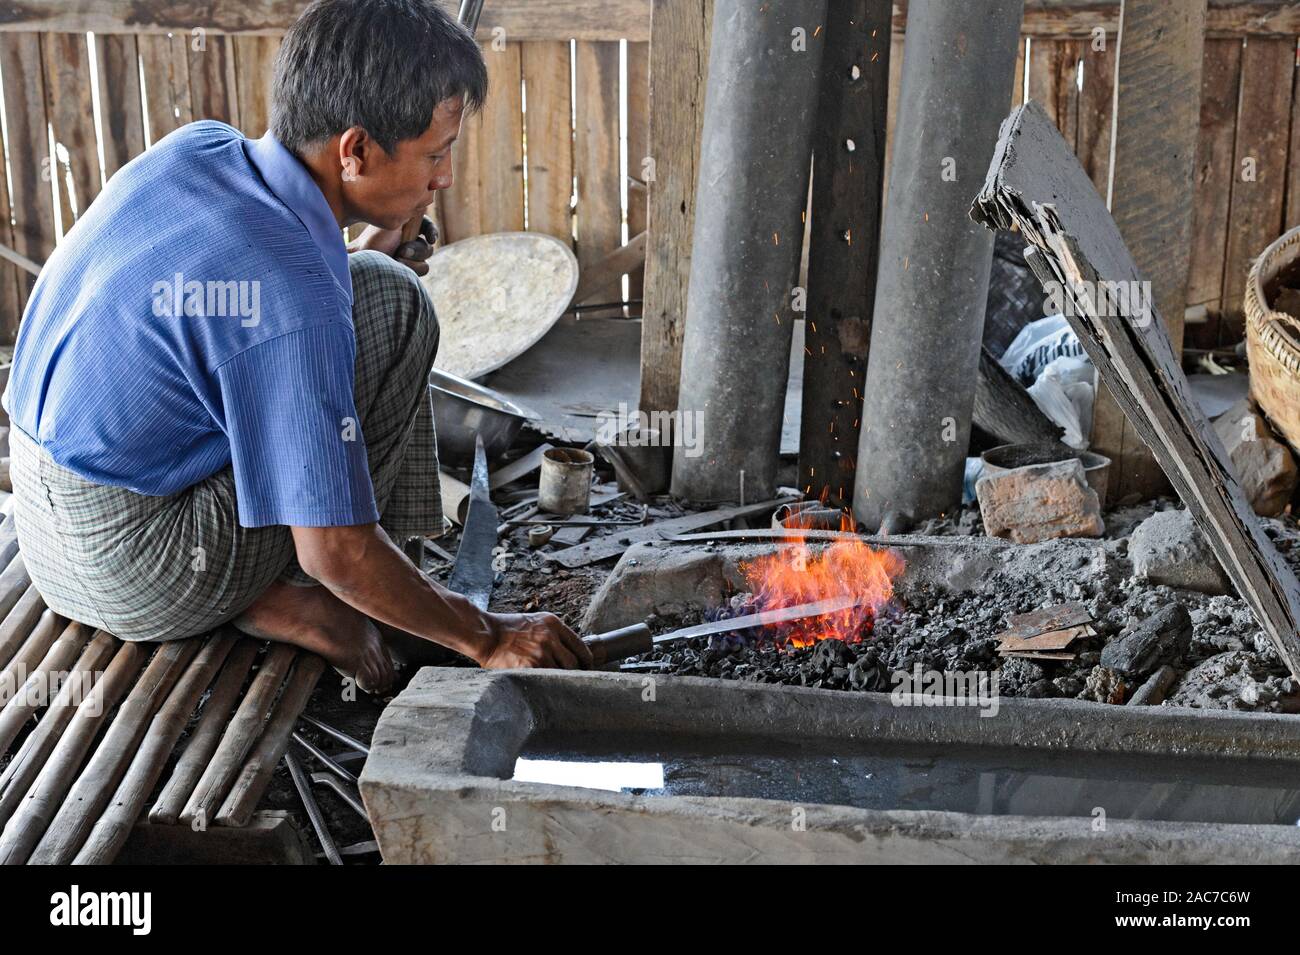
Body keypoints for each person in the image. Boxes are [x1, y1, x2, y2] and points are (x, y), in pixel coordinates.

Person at [4, 0, 591, 694]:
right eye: (436, 154)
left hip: (41, 508)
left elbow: (254, 287)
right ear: (356, 150)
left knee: (386, 291)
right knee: (343, 537)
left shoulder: (202, 148)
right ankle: (333, 597)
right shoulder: (292, 295)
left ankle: (363, 583)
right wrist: (486, 635)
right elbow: (332, 546)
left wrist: (352, 253)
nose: (445, 179)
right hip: (139, 571)